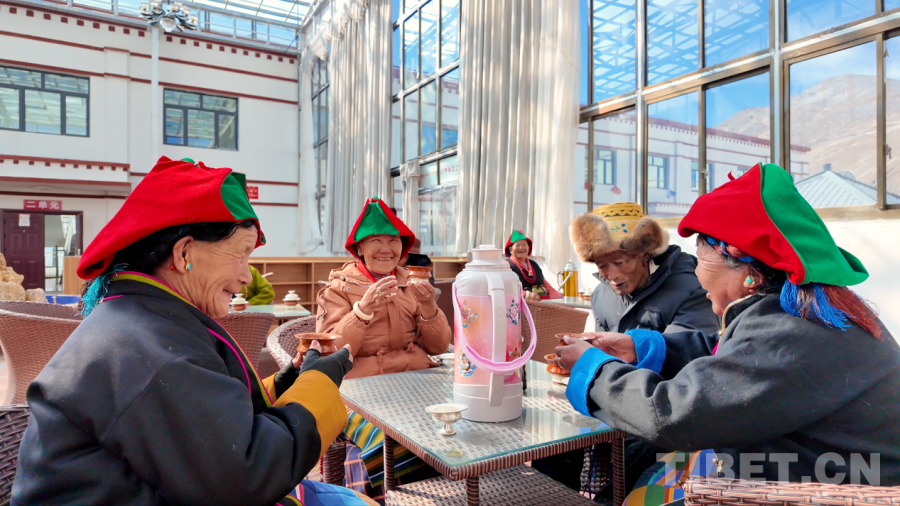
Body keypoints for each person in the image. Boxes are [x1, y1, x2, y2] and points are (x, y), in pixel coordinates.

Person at [12, 157, 371, 506]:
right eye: (241, 255)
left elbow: (199, 415)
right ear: (184, 253)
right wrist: (320, 383)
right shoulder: (150, 345)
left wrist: (284, 384)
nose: (246, 277)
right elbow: (246, 474)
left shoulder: (139, 319)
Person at [556, 163, 900, 499]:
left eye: (702, 258)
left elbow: (673, 415)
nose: (697, 272)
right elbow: (730, 352)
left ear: (747, 269)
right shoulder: (799, 312)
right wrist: (640, 347)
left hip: (823, 489)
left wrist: (592, 369)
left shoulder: (792, 332)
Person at [536, 203, 720, 497]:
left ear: (645, 254)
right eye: (601, 266)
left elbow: (688, 361)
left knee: (636, 446)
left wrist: (602, 363)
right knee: (554, 430)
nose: (610, 275)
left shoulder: (692, 286)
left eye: (620, 262)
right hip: (615, 390)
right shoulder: (602, 293)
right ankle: (552, 498)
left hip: (665, 405)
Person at [316, 196, 452, 499]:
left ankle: (446, 496)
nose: (386, 248)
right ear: (359, 248)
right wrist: (362, 312)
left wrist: (429, 307)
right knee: (390, 441)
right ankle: (386, 499)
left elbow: (439, 346)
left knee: (454, 426)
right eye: (375, 240)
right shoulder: (337, 289)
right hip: (358, 392)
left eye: (393, 240)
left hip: (416, 384)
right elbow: (329, 352)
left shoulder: (411, 284)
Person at [505, 230, 562, 300]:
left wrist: (558, 297)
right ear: (510, 250)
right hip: (523, 302)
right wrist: (526, 295)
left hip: (544, 302)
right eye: (517, 245)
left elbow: (545, 284)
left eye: (524, 245)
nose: (521, 247)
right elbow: (506, 287)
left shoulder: (533, 264)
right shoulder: (506, 265)